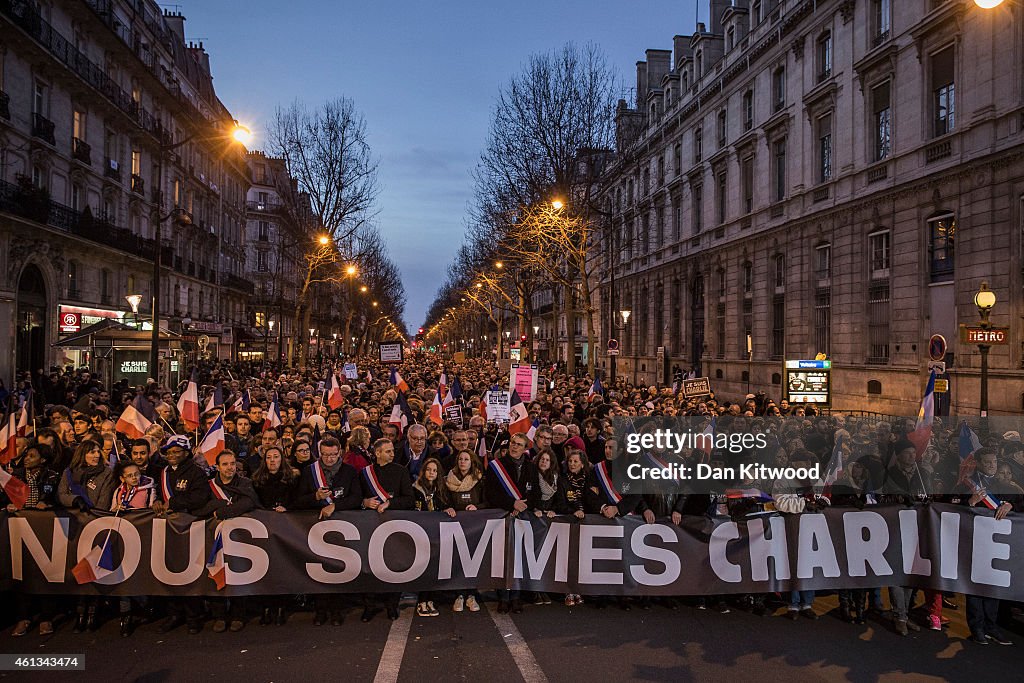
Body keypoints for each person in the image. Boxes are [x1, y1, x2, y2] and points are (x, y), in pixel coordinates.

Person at [296, 435, 361, 625]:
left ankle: (337, 611)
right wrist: (315, 497)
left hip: (342, 528)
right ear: (320, 454)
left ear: (339, 452)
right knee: (318, 570)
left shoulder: (349, 472)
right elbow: (298, 501)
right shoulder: (310, 472)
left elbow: (356, 498)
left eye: (333, 455)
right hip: (316, 528)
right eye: (325, 455)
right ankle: (320, 610)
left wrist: (336, 506)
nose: (330, 459)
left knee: (339, 569)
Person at [151, 434, 213, 635]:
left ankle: (194, 616)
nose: (171, 455)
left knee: (189, 573)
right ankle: (174, 614)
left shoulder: (196, 473)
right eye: (168, 452)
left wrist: (175, 503)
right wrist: (157, 501)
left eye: (176, 451)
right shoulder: (163, 473)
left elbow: (200, 498)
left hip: (188, 528)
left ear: (186, 453)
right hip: (167, 529)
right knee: (168, 570)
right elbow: (160, 495)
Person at [957, 448, 1018, 645]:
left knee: (994, 585)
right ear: (979, 463)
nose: (992, 465)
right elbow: (950, 506)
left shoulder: (1004, 483)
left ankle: (991, 626)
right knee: (975, 584)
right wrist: (971, 502)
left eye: (994, 462)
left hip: (998, 543)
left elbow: (1019, 502)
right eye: (987, 462)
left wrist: (1011, 505)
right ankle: (977, 627)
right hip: (975, 541)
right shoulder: (967, 482)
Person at [361, 438, 416, 621]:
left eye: (392, 451)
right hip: (370, 528)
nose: (392, 454)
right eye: (388, 451)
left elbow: (409, 499)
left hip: (394, 527)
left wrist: (390, 503)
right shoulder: (365, 473)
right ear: (377, 453)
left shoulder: (401, 471)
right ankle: (370, 605)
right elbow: (356, 497)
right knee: (370, 566)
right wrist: (365, 502)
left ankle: (392, 605)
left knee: (394, 566)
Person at [485, 432, 536, 614]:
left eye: (519, 444)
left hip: (521, 517)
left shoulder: (531, 467)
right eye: (513, 443)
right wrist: (511, 503)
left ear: (525, 448)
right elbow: (490, 492)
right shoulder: (496, 467)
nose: (515, 447)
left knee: (518, 558)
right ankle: (503, 597)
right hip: (502, 517)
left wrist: (522, 505)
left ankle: (516, 596)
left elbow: (534, 492)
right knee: (502, 558)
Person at [251, 445, 300, 626]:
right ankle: (266, 606)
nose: (272, 460)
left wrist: (287, 507)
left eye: (276, 457)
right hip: (264, 528)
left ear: (282, 459)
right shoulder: (257, 479)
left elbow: (297, 499)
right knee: (264, 569)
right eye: (269, 457)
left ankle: (281, 606)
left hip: (284, 528)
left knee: (282, 567)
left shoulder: (292, 478)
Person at [110, 460, 155, 637]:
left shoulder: (149, 488)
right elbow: (110, 510)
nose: (134, 478)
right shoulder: (118, 491)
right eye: (129, 476)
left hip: (142, 536)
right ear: (122, 478)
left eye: (136, 474)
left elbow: (151, 509)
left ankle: (146, 604)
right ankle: (125, 615)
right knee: (123, 576)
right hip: (123, 537)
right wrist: (117, 508)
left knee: (140, 574)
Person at [443, 449, 486, 613]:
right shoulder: (448, 480)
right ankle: (459, 595)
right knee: (457, 561)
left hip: (474, 527)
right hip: (455, 527)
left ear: (472, 462)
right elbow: (445, 501)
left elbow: (487, 502)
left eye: (466, 459)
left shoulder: (479, 480)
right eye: (460, 459)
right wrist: (448, 508)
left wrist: (477, 507)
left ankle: (471, 595)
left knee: (472, 562)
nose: (462, 462)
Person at [412, 457, 447, 617]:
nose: (431, 473)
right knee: (423, 568)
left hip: (437, 535)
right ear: (423, 471)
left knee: (435, 568)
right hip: (420, 534)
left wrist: (449, 509)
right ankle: (421, 601)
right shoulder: (416, 488)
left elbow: (447, 505)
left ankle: (431, 599)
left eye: (434, 470)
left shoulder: (441, 489)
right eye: (428, 470)